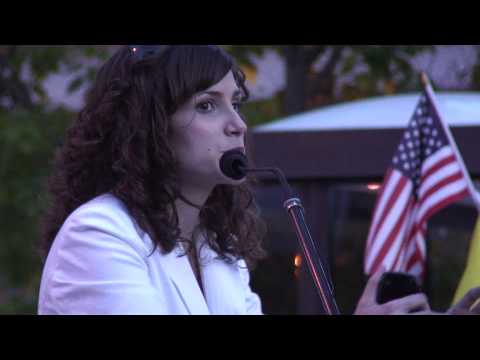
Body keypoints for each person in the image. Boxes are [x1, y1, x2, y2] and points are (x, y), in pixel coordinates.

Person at [37, 45, 480, 315]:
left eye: (237, 104)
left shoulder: (217, 251)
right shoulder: (97, 235)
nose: (238, 125)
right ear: (147, 126)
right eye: (208, 105)